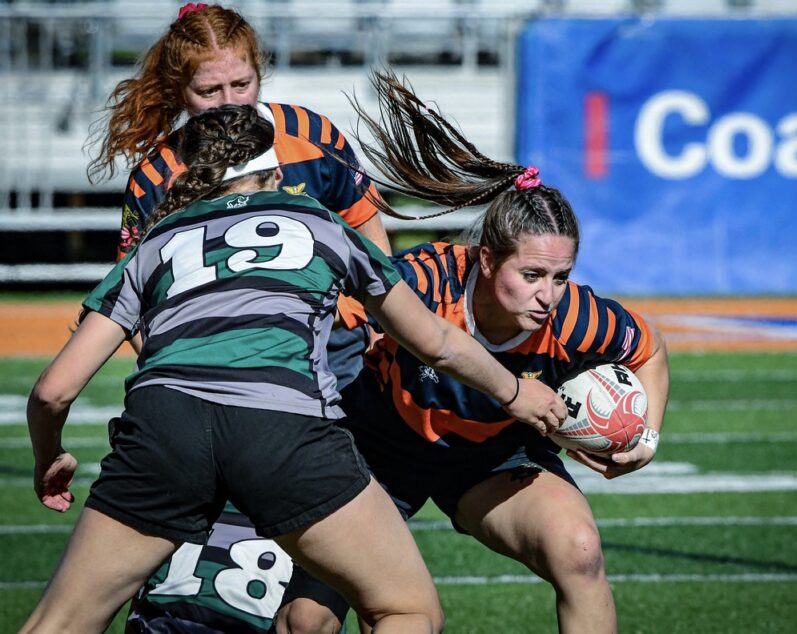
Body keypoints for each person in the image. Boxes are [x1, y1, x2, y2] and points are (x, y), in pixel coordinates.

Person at [21, 104, 568, 634]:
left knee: (61, 622)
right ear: (277, 172)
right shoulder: (320, 222)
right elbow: (437, 343)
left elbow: (52, 390)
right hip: (283, 426)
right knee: (404, 611)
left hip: (165, 429)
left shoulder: (156, 241)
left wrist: (51, 455)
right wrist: (514, 390)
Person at [283, 72, 671, 633]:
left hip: (492, 461)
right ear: (487, 261)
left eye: (561, 276)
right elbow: (336, 319)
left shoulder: (575, 316)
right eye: (532, 273)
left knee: (580, 551)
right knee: (307, 620)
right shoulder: (424, 281)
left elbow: (650, 349)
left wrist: (649, 437)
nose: (548, 293)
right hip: (378, 448)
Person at [88, 4, 391, 631]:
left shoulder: (310, 134)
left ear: (261, 73)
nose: (229, 101)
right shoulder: (158, 175)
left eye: (241, 84)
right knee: (196, 592)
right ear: (179, 91)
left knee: (324, 595)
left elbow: (368, 231)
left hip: (325, 372)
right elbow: (138, 306)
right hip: (205, 391)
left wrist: (364, 318)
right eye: (209, 90)